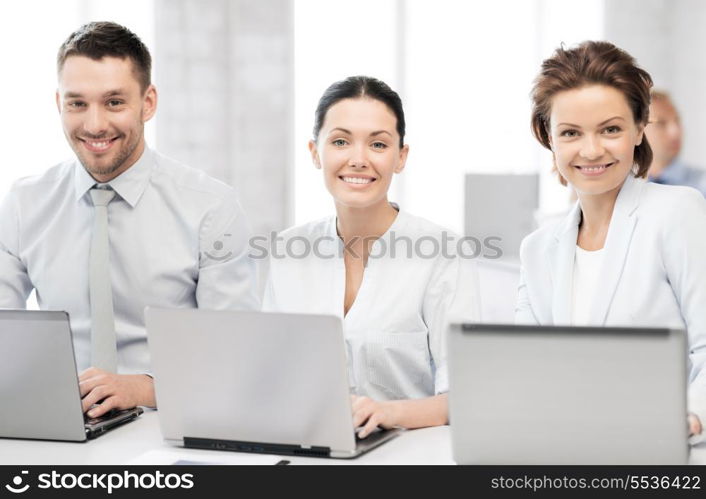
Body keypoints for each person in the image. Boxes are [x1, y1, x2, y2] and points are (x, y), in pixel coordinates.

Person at [0, 22, 259, 418]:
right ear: (59, 103)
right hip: (59, 426)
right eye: (77, 103)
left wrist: (143, 387)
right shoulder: (25, 203)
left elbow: (236, 355)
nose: (95, 124)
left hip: (172, 423)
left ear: (148, 102)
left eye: (114, 102)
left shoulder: (210, 208)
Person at [263, 76, 479, 438]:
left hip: (411, 453)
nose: (359, 159)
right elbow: (271, 374)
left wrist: (385, 412)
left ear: (401, 157)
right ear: (316, 153)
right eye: (340, 141)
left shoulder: (444, 253)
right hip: (307, 446)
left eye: (378, 144)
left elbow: (465, 397)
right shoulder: (288, 250)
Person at [516, 40, 706, 443]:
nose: (592, 150)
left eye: (611, 129)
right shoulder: (537, 248)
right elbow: (527, 368)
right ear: (547, 136)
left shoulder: (677, 212)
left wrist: (690, 415)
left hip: (663, 446)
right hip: (569, 444)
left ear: (640, 128)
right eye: (570, 132)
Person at [645, 90, 706, 196]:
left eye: (677, 120)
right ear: (638, 131)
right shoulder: (621, 188)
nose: (675, 131)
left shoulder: (701, 186)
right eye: (661, 123)